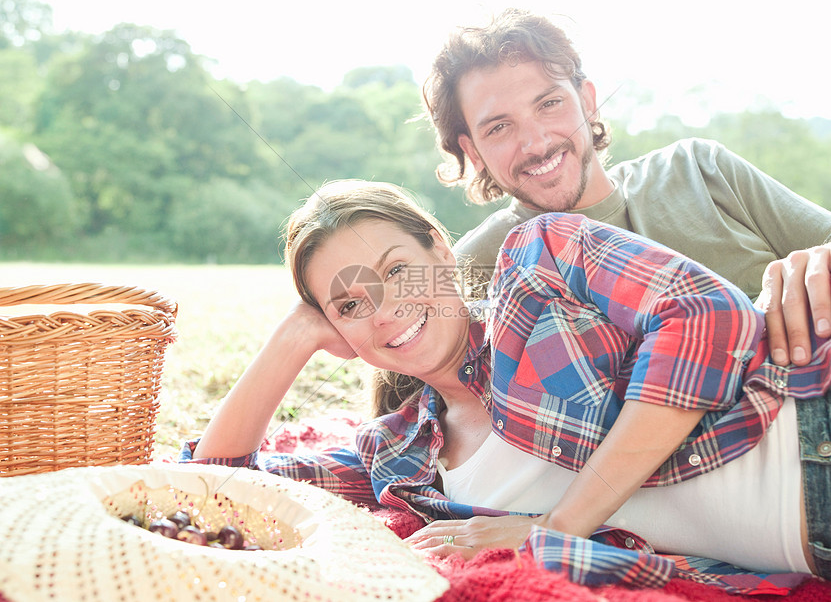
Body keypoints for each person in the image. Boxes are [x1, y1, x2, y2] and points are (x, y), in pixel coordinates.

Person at [181, 180, 830, 593]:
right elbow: (214, 492)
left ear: (440, 252)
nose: (383, 311)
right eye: (348, 305)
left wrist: (552, 528)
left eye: (396, 271)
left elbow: (703, 313)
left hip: (809, 426)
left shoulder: (536, 259)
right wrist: (287, 343)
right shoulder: (396, 455)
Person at [421, 8, 831, 369]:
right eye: (500, 127)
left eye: (549, 104)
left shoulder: (700, 169)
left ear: (588, 101)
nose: (537, 143)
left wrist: (815, 266)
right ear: (472, 151)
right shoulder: (471, 270)